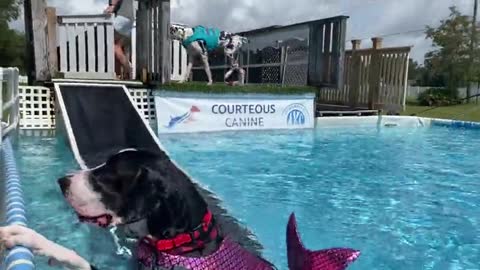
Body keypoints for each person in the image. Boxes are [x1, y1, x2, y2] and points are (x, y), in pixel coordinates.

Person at [104, 0, 134, 80]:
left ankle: (128, 69)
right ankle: (121, 74)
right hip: (128, 18)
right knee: (120, 46)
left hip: (122, 18)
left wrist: (113, 6)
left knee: (114, 46)